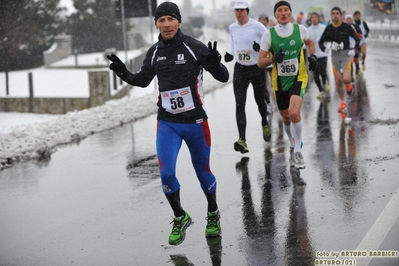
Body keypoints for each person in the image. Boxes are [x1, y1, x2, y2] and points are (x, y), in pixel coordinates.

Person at [107, 2, 229, 246]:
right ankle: (180, 216)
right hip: (168, 123)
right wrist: (123, 73)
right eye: (161, 20)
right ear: (156, 24)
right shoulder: (153, 52)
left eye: (170, 19)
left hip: (195, 121)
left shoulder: (194, 47)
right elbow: (142, 80)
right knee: (165, 173)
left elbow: (223, 76)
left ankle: (213, 213)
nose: (166, 25)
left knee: (203, 173)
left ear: (178, 21)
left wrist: (215, 64)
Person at [257, 1, 319, 169]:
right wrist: (272, 59)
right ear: (276, 15)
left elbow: (310, 43)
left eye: (286, 10)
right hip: (279, 82)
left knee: (293, 112)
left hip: (299, 77)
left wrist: (312, 56)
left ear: (290, 13)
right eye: (280, 11)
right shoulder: (269, 35)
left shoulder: (300, 30)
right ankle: (292, 143)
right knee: (285, 117)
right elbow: (260, 62)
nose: (283, 13)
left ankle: (297, 150)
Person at [225, 0, 271, 154]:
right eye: (236, 10)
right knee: (239, 104)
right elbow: (234, 44)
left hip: (256, 68)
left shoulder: (257, 26)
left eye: (241, 10)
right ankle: (242, 139)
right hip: (240, 70)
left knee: (260, 101)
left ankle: (264, 122)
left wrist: (261, 49)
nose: (238, 13)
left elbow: (268, 42)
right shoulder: (232, 27)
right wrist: (230, 54)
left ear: (247, 11)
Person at [318, 7, 360, 114]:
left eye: (337, 13)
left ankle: (349, 84)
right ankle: (342, 103)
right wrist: (325, 49)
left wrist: (354, 50)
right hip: (335, 56)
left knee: (346, 79)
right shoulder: (329, 28)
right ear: (331, 16)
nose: (335, 15)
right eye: (333, 13)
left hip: (345, 54)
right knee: (337, 81)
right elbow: (320, 42)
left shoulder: (347, 27)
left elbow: (357, 39)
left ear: (341, 15)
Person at [307, 12, 330, 100]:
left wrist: (327, 48)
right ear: (310, 19)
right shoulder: (308, 30)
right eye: (312, 17)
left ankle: (325, 83)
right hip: (313, 55)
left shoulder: (324, 28)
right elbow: (306, 42)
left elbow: (328, 39)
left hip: (323, 53)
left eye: (316, 17)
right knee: (315, 74)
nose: (314, 19)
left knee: (323, 70)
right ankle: (320, 90)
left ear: (318, 18)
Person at [258, 13, 276, 113]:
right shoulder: (256, 31)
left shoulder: (271, 31)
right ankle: (268, 103)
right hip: (262, 62)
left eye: (264, 20)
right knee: (264, 85)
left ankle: (277, 101)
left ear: (267, 21)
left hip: (271, 60)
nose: (262, 22)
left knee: (274, 83)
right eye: (260, 20)